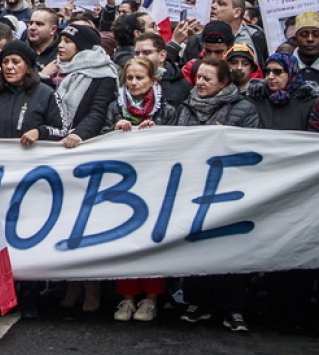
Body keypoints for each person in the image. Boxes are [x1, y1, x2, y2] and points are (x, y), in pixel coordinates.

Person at [174, 57, 261, 332]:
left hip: (229, 190)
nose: (200, 83)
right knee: (196, 245)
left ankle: (233, 307)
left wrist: (230, 138)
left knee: (228, 247)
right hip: (195, 187)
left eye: (207, 79)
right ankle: (198, 302)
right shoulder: (186, 107)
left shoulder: (244, 108)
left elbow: (255, 145)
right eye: (198, 77)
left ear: (224, 82)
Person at [0, 40, 62, 318]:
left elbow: (63, 130)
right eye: (5, 62)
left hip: (32, 181)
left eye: (16, 62)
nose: (10, 67)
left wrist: (40, 131)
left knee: (27, 236)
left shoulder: (45, 93)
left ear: (28, 66)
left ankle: (29, 296)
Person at [100, 57, 177, 322]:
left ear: (152, 80)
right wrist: (114, 130)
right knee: (126, 240)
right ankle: (127, 297)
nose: (134, 83)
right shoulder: (114, 108)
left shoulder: (166, 109)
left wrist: (158, 132)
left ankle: (152, 298)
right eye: (129, 78)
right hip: (122, 188)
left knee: (152, 240)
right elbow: (100, 140)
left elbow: (179, 141)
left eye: (140, 78)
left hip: (156, 185)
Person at [244, 52, 318, 130]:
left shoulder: (308, 100)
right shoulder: (255, 98)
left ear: (291, 72)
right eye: (267, 71)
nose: (270, 77)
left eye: (277, 71)